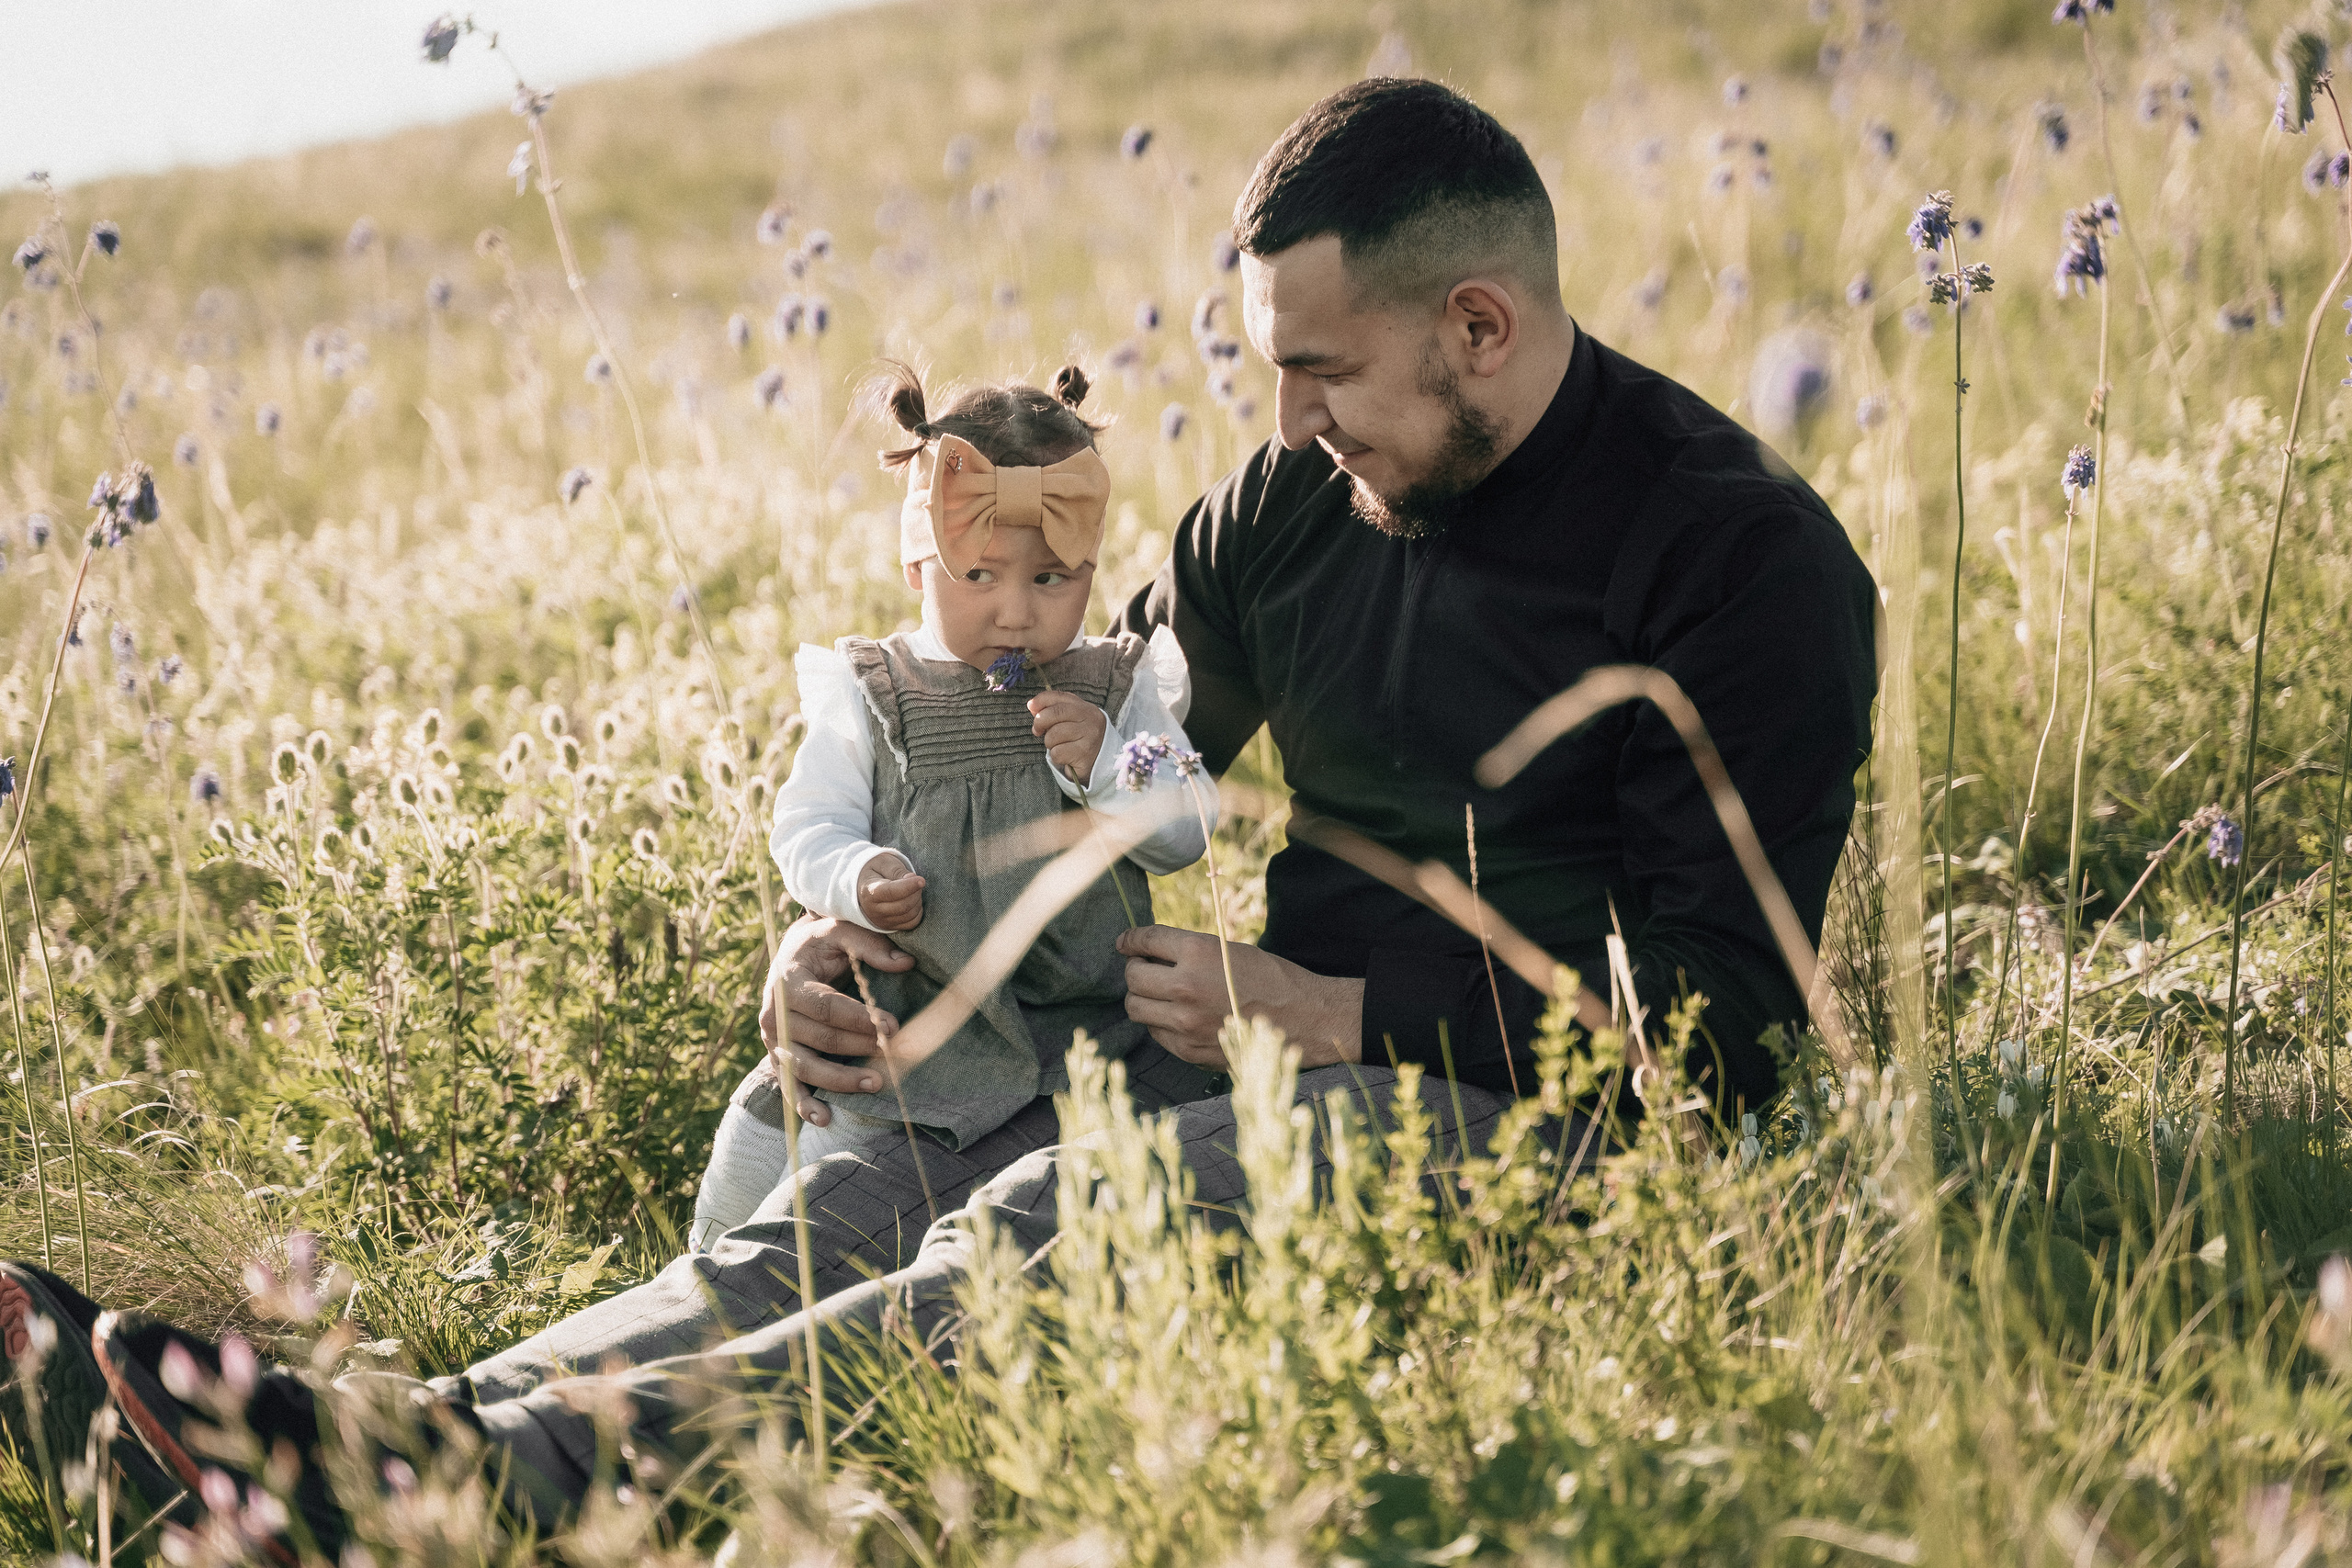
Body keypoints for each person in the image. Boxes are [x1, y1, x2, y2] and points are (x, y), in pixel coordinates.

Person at [0, 76, 1876, 1554]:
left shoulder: (1734, 562)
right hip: (1236, 1056)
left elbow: (1722, 1034)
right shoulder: (1280, 518)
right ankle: (291, 1445)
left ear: (1475, 322)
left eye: (1321, 372)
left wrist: (1324, 1016)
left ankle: (461, 1496)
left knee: (1064, 1205)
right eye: (1267, 370)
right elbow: (1068, 791)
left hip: (1538, 1128)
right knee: (862, 1177)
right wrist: (845, 937)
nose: (1287, 419)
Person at [688, 362, 1219, 1251]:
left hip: (1079, 1037)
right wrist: (857, 876)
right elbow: (805, 828)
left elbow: (1188, 825)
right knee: (781, 1145)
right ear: (914, 563)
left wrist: (1115, 770)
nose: (1015, 612)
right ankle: (702, 1261)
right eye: (978, 575)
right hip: (911, 1030)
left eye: (1052, 580)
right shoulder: (876, 693)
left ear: (1091, 565)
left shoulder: (1116, 688)